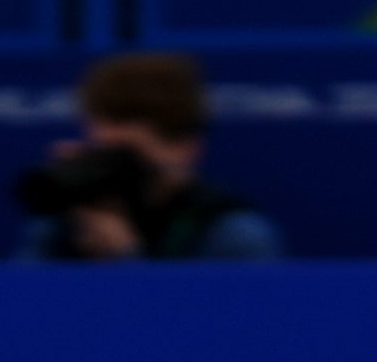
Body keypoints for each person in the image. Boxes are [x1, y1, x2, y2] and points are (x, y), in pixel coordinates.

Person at [16, 50, 283, 265]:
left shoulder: (233, 233)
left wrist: (128, 260)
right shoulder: (64, 225)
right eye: (104, 152)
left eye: (126, 157)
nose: (115, 170)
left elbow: (240, 327)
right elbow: (20, 313)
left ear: (185, 147)